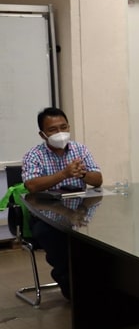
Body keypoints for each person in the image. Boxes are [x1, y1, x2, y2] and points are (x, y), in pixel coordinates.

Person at [21, 107, 103, 299]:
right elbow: (32, 185)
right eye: (53, 130)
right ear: (42, 134)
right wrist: (64, 174)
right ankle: (71, 288)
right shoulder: (34, 155)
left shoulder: (80, 149)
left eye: (63, 127)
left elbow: (97, 179)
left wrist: (83, 173)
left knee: (104, 234)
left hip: (80, 209)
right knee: (52, 238)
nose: (60, 133)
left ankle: (101, 284)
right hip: (47, 212)